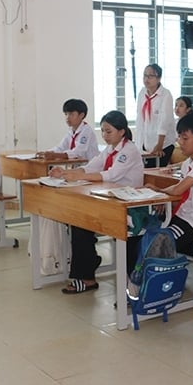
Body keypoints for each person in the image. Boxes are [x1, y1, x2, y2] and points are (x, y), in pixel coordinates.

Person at [49, 111, 143, 294]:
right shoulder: (110, 149)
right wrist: (68, 173)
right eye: (104, 132)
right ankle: (87, 273)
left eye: (109, 132)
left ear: (122, 131)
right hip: (111, 200)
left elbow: (111, 175)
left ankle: (87, 274)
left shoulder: (129, 150)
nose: (105, 136)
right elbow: (93, 165)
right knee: (79, 222)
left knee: (82, 224)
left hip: (129, 206)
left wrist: (75, 176)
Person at [132, 112, 193, 271]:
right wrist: (161, 194)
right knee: (140, 236)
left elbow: (179, 189)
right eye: (179, 137)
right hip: (183, 215)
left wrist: (159, 192)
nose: (180, 142)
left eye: (185, 138)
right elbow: (181, 191)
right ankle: (138, 278)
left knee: (160, 242)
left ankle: (157, 284)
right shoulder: (189, 162)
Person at [136, 64, 176, 168]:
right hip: (146, 143)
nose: (146, 79)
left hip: (163, 144)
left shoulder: (165, 95)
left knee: (156, 174)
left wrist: (159, 145)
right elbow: (140, 120)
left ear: (158, 78)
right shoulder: (142, 93)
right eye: (144, 75)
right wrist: (138, 145)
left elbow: (164, 121)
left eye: (150, 76)